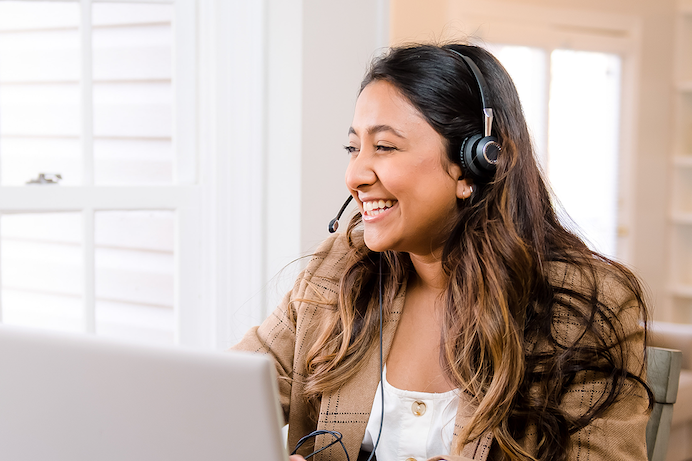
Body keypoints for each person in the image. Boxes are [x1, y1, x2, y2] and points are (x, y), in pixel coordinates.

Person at [232, 43, 651, 461]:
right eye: (353, 148)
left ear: (474, 164)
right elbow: (223, 399)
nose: (354, 175)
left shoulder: (586, 306)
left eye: (385, 147)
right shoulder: (338, 271)